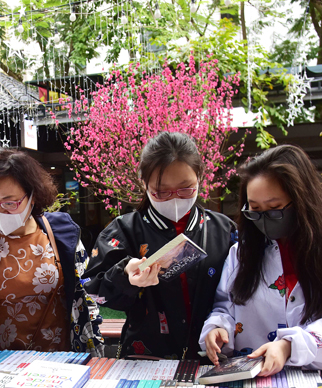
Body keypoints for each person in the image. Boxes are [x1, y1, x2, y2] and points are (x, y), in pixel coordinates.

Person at [200, 145, 322, 376]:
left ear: (301, 200)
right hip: (256, 383)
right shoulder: (241, 254)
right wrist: (218, 327)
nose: (264, 219)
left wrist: (290, 346)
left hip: (321, 383)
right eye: (254, 210)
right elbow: (226, 305)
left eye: (274, 209)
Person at [0, 149, 103, 375]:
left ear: (33, 196)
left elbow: (87, 295)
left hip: (61, 361)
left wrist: (93, 348)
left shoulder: (61, 236)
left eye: (10, 203)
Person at [84, 132, 236, 359]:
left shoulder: (223, 230)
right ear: (144, 183)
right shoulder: (123, 231)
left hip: (213, 355)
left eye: (186, 188)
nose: (174, 198)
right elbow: (93, 289)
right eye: (161, 191)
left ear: (200, 177)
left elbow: (242, 292)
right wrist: (125, 275)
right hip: (146, 356)